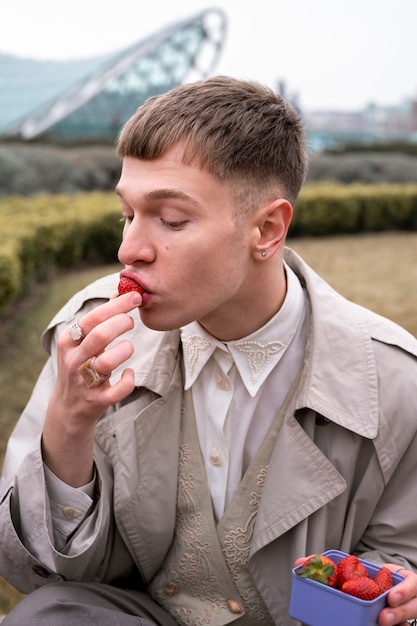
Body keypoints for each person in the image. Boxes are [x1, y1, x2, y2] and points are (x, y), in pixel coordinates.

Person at [0, 76, 417, 626]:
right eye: (127, 214)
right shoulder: (89, 338)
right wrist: (68, 431)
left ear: (267, 228)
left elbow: (402, 558)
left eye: (171, 220)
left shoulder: (393, 381)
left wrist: (400, 597)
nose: (129, 249)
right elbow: (30, 571)